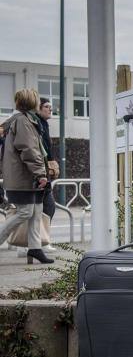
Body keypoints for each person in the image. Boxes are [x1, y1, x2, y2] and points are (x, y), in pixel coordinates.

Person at [0, 89, 52, 264]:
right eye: (37, 100)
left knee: (36, 211)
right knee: (25, 212)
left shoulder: (28, 119)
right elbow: (29, 150)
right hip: (24, 176)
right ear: (32, 102)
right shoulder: (23, 121)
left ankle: (35, 248)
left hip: (28, 176)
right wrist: (40, 174)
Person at [35, 98, 58, 252]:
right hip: (38, 172)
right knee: (45, 206)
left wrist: (51, 161)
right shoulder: (36, 124)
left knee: (41, 208)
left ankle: (38, 242)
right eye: (46, 107)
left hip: (43, 171)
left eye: (51, 107)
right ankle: (41, 242)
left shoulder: (44, 124)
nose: (50, 109)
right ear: (38, 108)